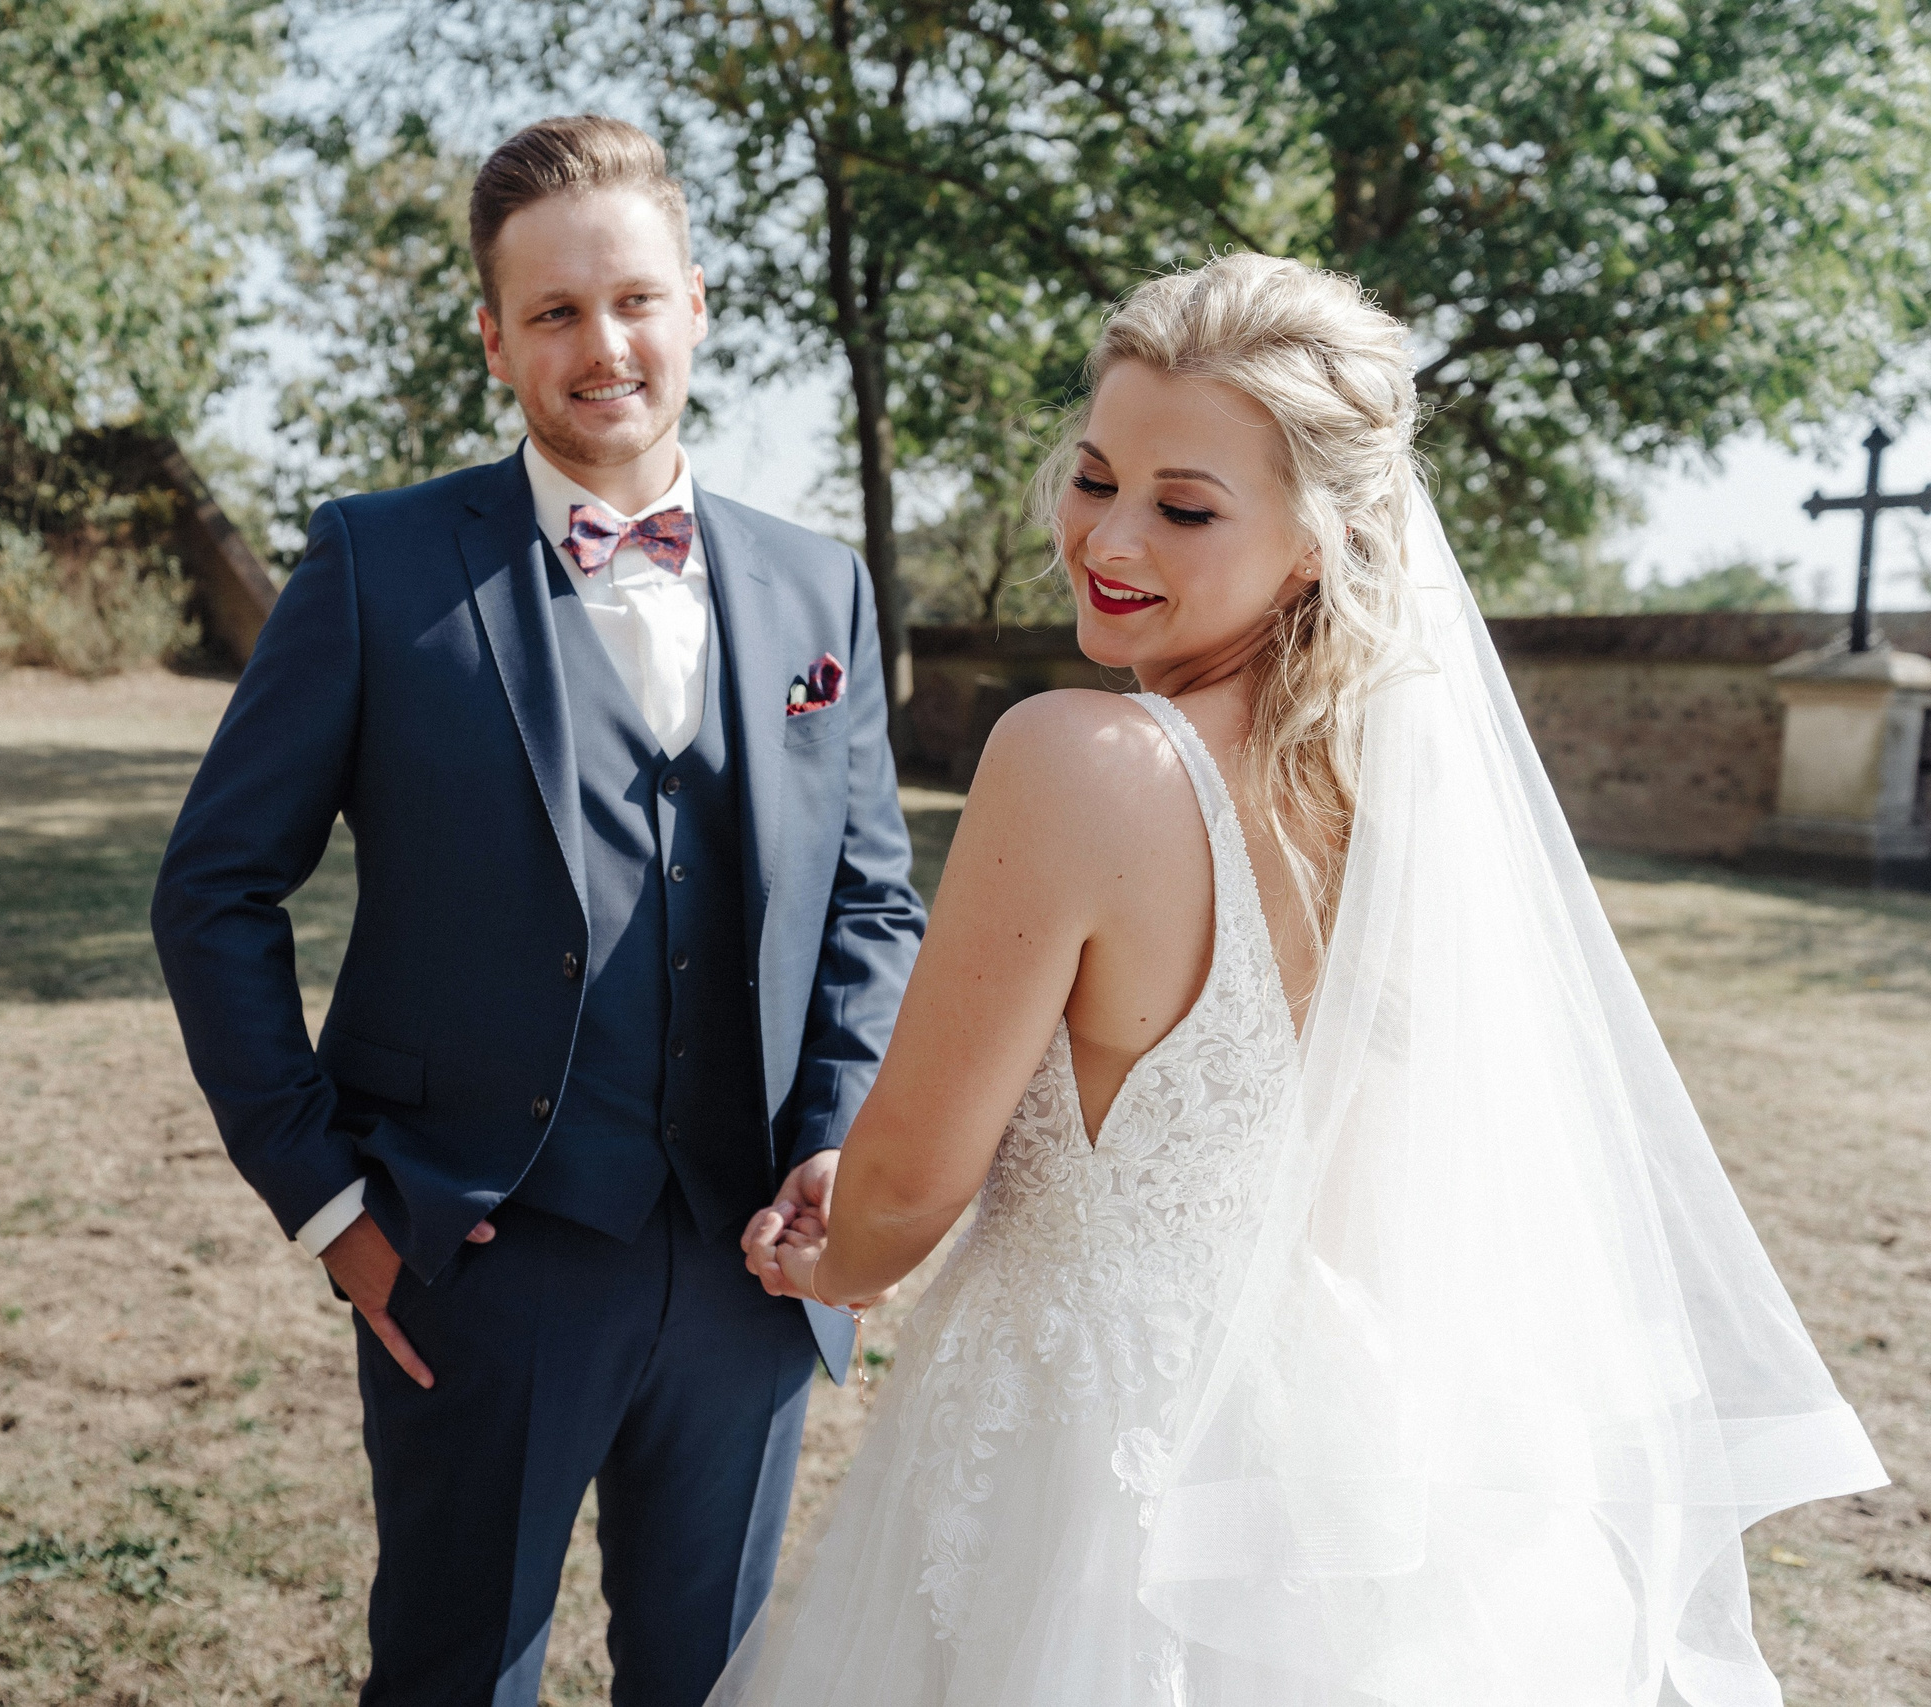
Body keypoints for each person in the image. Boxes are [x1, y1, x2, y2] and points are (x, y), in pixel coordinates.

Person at [721, 251, 1886, 1706]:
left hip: (1087, 1459)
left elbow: (903, 1194)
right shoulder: (1381, 792)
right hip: (1322, 1438)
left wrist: (825, 1255)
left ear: (1319, 542)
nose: (1108, 538)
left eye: (1184, 506)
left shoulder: (1078, 757)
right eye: (1095, 478)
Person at [150, 114, 925, 1707]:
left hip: (749, 1273)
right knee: (452, 1679)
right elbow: (216, 888)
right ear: (495, 337)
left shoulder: (816, 586)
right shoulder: (375, 564)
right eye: (556, 313)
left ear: (698, 305)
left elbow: (869, 904)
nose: (604, 346)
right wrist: (331, 1206)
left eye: (634, 299)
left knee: (712, 1683)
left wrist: (838, 1136)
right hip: (474, 1258)